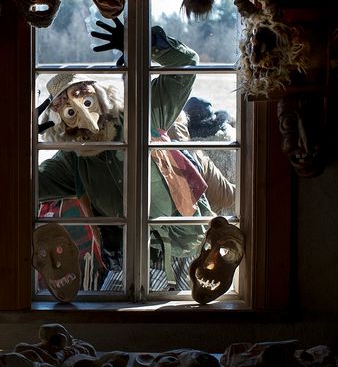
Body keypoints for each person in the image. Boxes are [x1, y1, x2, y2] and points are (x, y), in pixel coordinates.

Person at [37, 26, 212, 292]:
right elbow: (25, 187)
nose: (86, 118)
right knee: (113, 311)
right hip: (130, 260)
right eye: (70, 112)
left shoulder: (142, 113)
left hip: (187, 243)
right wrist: (24, 141)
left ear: (100, 95)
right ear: (61, 122)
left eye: (86, 101)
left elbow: (186, 63)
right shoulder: (73, 160)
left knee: (194, 312)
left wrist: (144, 43)